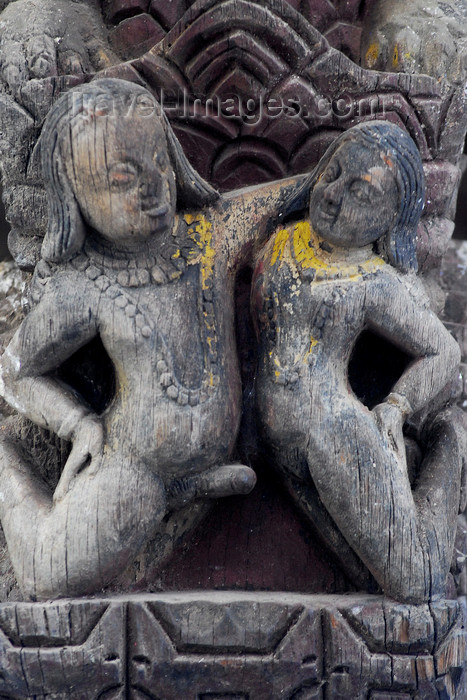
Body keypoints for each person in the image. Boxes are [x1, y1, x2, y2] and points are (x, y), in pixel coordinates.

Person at [0, 78, 299, 600]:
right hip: (135, 468)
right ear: (77, 198)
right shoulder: (86, 285)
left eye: (161, 164)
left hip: (207, 456)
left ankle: (186, 488)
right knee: (47, 574)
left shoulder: (212, 233)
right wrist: (79, 424)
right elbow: (16, 369)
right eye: (123, 178)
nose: (155, 189)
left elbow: (295, 193)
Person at [252, 121, 464, 603]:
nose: (332, 196)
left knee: (414, 584)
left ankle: (447, 450)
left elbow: (443, 350)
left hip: (334, 437)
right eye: (333, 173)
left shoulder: (374, 280)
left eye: (362, 193)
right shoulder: (281, 243)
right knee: (363, 578)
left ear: (391, 220)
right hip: (279, 445)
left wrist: (396, 405)